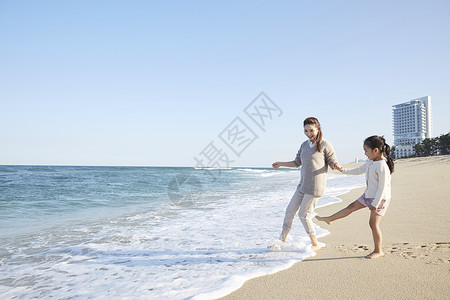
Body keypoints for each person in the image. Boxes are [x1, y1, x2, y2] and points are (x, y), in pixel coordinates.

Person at [268, 117, 341, 251]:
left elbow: (332, 161)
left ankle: (315, 243)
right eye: (306, 131)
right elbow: (296, 162)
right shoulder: (304, 145)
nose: (309, 133)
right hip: (302, 186)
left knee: (304, 215)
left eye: (311, 130)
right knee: (289, 211)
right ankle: (281, 241)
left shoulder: (325, 144)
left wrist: (335, 165)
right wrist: (281, 163)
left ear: (318, 129)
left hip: (315, 187)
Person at [316, 135, 394, 259]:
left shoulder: (382, 166)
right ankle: (329, 219)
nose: (365, 154)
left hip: (380, 199)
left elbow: (382, 188)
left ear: (376, 150)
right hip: (369, 195)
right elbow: (358, 170)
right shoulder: (370, 162)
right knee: (351, 207)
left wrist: (375, 204)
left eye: (366, 151)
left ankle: (378, 251)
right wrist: (343, 170)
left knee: (373, 224)